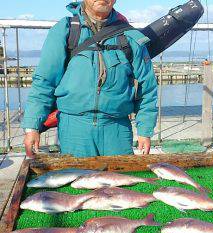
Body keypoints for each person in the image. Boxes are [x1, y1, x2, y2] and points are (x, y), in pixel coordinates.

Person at [22, 0, 158, 158]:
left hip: (117, 129)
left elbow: (147, 89)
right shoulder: (66, 30)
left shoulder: (131, 37)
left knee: (120, 180)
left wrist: (145, 131)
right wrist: (32, 128)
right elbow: (44, 82)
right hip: (73, 128)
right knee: (79, 180)